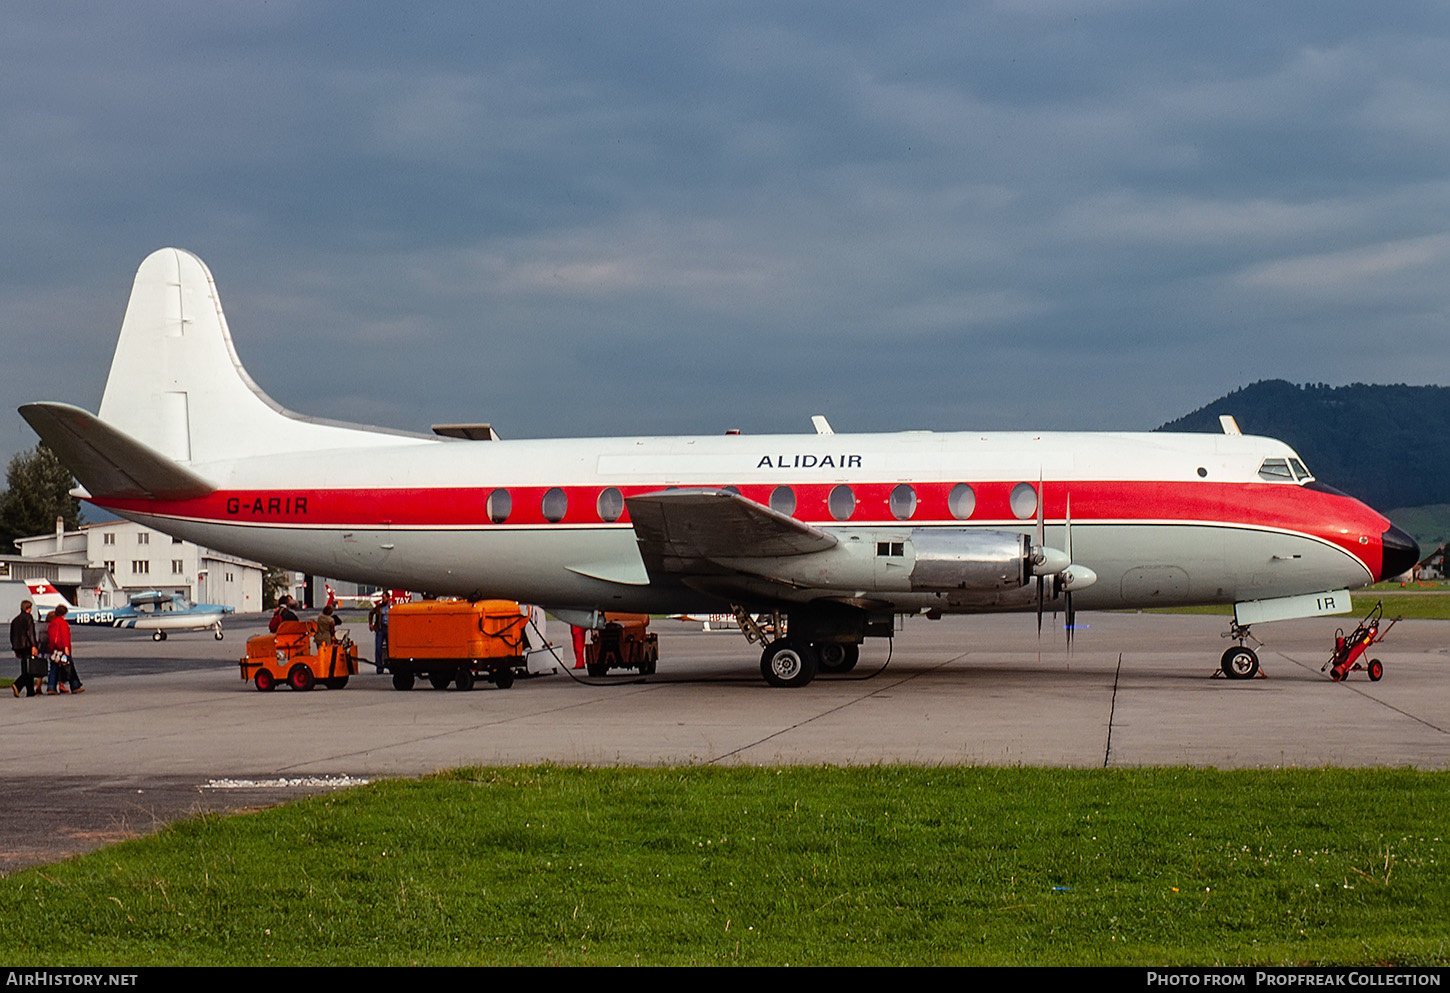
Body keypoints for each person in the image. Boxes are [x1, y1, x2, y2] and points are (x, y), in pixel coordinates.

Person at [45, 604, 83, 695]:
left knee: (54, 667)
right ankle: (75, 685)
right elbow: (64, 636)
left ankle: (51, 687)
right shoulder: (63, 623)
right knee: (69, 666)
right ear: (64, 613)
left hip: (54, 650)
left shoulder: (51, 623)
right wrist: (66, 647)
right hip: (62, 649)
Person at [10, 600, 40, 698]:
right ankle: (18, 684)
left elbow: (12, 635)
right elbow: (30, 633)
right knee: (29, 669)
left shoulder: (15, 620)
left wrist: (15, 649)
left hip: (18, 646)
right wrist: (34, 646)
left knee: (25, 668)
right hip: (27, 645)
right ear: (28, 608)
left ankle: (30, 691)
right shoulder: (28, 618)